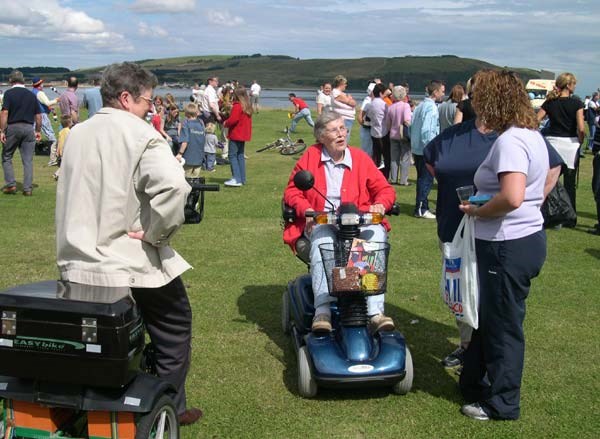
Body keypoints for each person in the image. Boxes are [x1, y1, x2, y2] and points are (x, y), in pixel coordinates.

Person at [55, 62, 202, 426]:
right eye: (146, 102)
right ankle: (165, 406)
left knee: (94, 340)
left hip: (76, 259)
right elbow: (175, 187)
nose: (149, 110)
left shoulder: (77, 133)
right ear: (125, 98)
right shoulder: (141, 134)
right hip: (128, 261)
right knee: (173, 326)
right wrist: (157, 234)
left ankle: (87, 407)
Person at [424, 109, 562, 373]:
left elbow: (552, 167)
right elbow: (432, 163)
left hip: (497, 233)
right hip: (455, 227)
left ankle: (489, 366)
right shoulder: (454, 134)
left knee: (492, 302)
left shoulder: (515, 136)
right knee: (462, 294)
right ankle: (468, 349)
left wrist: (533, 201)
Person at [457, 69, 554, 421]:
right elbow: (528, 190)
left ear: (494, 100)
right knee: (489, 317)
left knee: (503, 327)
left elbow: (512, 196)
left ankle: (502, 403)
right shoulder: (531, 135)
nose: (475, 104)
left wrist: (480, 211)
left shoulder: (511, 141)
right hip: (520, 239)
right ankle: (473, 382)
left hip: (506, 244)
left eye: (479, 97)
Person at [283, 111, 396, 334]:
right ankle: (322, 311)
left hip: (358, 222)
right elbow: (292, 191)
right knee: (322, 241)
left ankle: (374, 312)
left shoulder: (360, 158)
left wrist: (380, 204)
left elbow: (385, 190)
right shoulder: (311, 157)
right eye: (334, 130)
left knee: (375, 236)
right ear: (321, 137)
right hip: (324, 220)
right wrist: (306, 210)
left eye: (343, 128)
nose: (341, 134)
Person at [536, 72, 585, 225]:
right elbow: (581, 128)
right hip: (570, 144)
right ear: (569, 86)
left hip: (552, 142)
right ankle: (570, 217)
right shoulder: (577, 104)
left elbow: (536, 120)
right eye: (574, 84)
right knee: (570, 183)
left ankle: (550, 213)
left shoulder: (550, 102)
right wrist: (580, 141)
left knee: (550, 182)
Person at [0, 70, 42, 195]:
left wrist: (2, 131)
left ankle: (11, 184)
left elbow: (4, 113)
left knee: (7, 156)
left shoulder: (9, 94)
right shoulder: (31, 95)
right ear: (23, 80)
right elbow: (38, 116)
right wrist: (38, 131)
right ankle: (27, 188)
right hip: (29, 128)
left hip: (13, 127)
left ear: (10, 80)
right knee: (28, 160)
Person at [410, 80, 445, 219]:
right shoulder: (431, 108)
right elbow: (427, 130)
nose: (443, 93)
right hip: (425, 148)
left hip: (417, 147)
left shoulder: (420, 106)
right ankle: (421, 209)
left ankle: (422, 206)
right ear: (435, 92)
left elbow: (411, 126)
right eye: (442, 91)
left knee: (422, 178)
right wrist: (431, 148)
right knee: (426, 179)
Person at [223, 86, 253, 187]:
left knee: (232, 155)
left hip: (236, 134)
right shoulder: (247, 106)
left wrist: (225, 122)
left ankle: (236, 178)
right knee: (240, 155)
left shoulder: (237, 106)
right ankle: (242, 178)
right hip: (243, 134)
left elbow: (233, 120)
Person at [385, 85, 412, 185]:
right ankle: (403, 180)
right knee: (405, 157)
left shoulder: (391, 107)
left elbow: (388, 123)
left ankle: (393, 178)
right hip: (403, 135)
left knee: (394, 158)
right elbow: (406, 120)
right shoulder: (406, 106)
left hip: (393, 134)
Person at [364, 83, 391, 178]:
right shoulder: (384, 104)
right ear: (380, 93)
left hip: (374, 131)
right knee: (386, 155)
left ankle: (375, 174)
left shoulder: (370, 104)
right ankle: (386, 175)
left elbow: (368, 118)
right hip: (383, 131)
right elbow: (388, 118)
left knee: (376, 155)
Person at [30, 77, 59, 166]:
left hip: (34, 114)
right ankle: (54, 154)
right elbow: (48, 103)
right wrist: (57, 100)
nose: (43, 84)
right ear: (39, 85)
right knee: (50, 133)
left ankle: (31, 151)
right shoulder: (40, 93)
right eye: (41, 83)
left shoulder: (32, 92)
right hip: (42, 115)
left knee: (33, 133)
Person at [177, 103, 205, 177]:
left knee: (186, 180)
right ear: (196, 113)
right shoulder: (201, 123)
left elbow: (185, 141)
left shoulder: (186, 124)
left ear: (186, 113)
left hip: (188, 158)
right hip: (199, 158)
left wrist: (180, 153)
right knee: (195, 180)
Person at [331, 75, 357, 140]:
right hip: (344, 118)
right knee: (344, 139)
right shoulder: (337, 93)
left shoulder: (339, 93)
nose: (346, 85)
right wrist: (349, 98)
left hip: (346, 118)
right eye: (345, 84)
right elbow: (353, 103)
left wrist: (348, 98)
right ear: (341, 84)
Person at [357, 82, 375, 159]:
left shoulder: (371, 100)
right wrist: (364, 125)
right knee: (367, 149)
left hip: (371, 128)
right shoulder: (367, 100)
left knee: (371, 149)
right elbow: (360, 116)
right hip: (367, 129)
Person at [53, 114, 73, 181]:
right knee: (65, 165)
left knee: (64, 165)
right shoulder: (69, 132)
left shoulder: (61, 132)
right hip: (66, 151)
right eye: (72, 122)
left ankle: (61, 175)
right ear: (69, 123)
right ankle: (57, 174)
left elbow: (59, 142)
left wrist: (57, 152)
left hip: (61, 151)